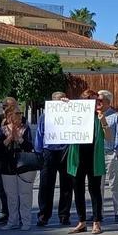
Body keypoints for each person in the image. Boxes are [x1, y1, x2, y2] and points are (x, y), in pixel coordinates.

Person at [68, 90, 107, 234]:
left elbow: (108, 137)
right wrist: (65, 104)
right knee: (78, 190)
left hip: (94, 157)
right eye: (92, 100)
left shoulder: (99, 117)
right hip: (77, 157)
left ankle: (96, 221)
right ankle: (81, 221)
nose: (96, 103)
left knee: (95, 190)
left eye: (96, 101)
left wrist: (102, 120)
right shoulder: (75, 115)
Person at [35, 91, 74, 226]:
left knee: (67, 184)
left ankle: (64, 214)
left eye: (62, 100)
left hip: (65, 150)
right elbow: (39, 134)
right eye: (57, 101)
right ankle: (43, 215)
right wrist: (39, 151)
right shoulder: (45, 117)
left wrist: (70, 106)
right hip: (49, 151)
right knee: (45, 184)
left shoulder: (71, 115)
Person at [0, 102, 36, 231]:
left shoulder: (26, 128)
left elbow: (30, 147)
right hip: (7, 165)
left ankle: (26, 221)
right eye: (17, 113)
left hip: (24, 165)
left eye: (20, 113)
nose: (20, 115)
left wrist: (18, 137)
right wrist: (9, 138)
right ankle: (12, 220)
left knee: (25, 193)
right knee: (11, 195)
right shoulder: (2, 130)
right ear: (9, 116)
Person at [0, 97, 25, 225]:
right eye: (4, 106)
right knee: (1, 187)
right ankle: (5, 212)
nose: (6, 108)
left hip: (18, 158)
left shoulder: (22, 120)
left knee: (18, 188)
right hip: (2, 158)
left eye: (10, 106)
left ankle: (19, 213)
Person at [97, 90, 118, 230]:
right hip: (97, 154)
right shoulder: (92, 116)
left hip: (111, 153)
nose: (98, 103)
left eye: (101, 100)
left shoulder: (116, 117)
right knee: (98, 185)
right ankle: (98, 212)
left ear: (108, 102)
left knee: (115, 184)